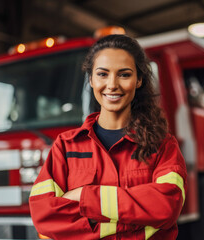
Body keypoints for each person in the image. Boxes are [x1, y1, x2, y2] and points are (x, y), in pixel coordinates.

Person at [29, 34, 187, 240]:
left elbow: (167, 206)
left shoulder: (163, 145)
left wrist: (83, 197)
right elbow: (44, 215)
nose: (112, 85)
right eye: (102, 74)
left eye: (124, 75)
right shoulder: (66, 146)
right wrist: (137, 222)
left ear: (139, 80)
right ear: (91, 80)